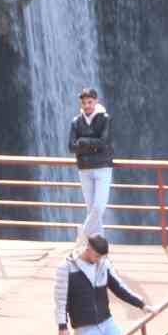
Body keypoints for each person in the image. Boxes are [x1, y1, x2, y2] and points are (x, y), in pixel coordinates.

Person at [69, 87, 113, 236]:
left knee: (98, 207)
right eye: (84, 103)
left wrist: (83, 142)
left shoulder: (105, 118)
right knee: (91, 209)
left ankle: (81, 236)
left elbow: (104, 143)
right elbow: (71, 147)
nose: (87, 105)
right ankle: (98, 247)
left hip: (102, 168)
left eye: (90, 102)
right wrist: (93, 146)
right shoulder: (76, 122)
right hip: (84, 169)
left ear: (96, 101)